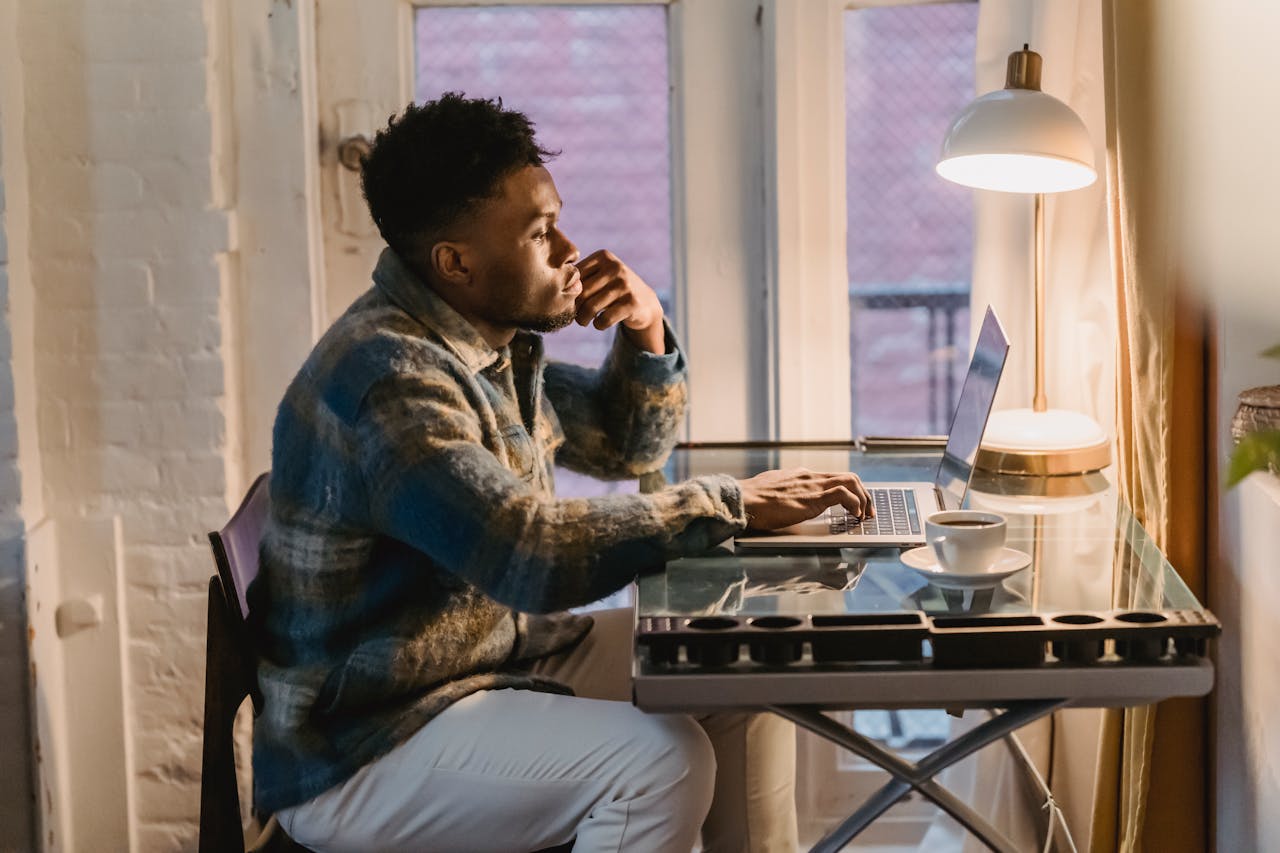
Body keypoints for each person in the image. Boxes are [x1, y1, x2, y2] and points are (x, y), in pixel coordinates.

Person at [249, 93, 873, 853]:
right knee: (662, 764)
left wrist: (645, 324)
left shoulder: (482, 341)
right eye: (541, 233)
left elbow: (623, 447)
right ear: (457, 261)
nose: (570, 247)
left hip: (482, 659)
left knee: (735, 666)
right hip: (366, 741)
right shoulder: (392, 380)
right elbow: (531, 554)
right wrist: (730, 503)